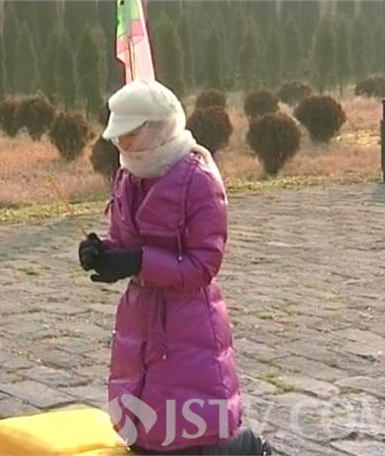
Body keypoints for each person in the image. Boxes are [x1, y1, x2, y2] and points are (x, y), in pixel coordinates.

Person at [78, 80, 272, 455]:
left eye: (130, 135)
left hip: (187, 322)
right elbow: (127, 240)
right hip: (141, 320)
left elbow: (203, 265)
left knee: (186, 435)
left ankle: (245, 448)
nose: (123, 146)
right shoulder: (128, 175)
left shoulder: (198, 179)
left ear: (157, 128)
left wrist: (137, 261)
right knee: (145, 433)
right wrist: (102, 252)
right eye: (118, 137)